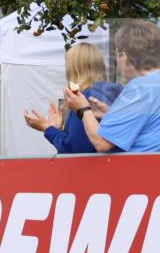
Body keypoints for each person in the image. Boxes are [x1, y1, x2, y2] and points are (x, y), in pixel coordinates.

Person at [65, 19, 160, 154]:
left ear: (124, 57)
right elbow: (147, 124)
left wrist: (83, 109)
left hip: (137, 170)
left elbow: (101, 143)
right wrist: (109, 113)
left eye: (117, 54)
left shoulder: (140, 88)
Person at [24, 43, 123, 153]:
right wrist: (58, 130)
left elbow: (76, 150)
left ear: (74, 68)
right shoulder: (116, 95)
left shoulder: (84, 98)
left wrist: (47, 128)